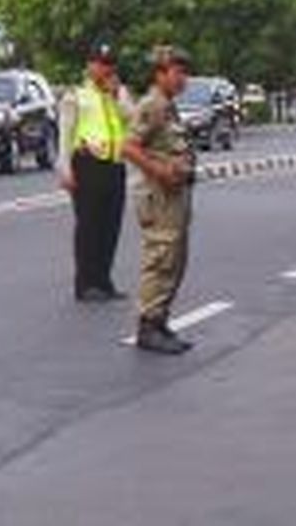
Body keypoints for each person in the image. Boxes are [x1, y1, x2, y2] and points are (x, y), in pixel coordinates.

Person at [123, 45, 196, 355]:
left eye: (185, 72)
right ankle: (148, 326)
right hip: (159, 196)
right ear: (160, 74)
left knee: (175, 260)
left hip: (174, 196)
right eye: (178, 72)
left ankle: (160, 320)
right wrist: (160, 172)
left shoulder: (167, 106)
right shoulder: (151, 105)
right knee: (162, 259)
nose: (184, 79)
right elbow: (128, 147)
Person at [57, 42, 134, 303]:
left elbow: (131, 120)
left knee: (111, 226)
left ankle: (104, 280)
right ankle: (86, 283)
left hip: (115, 165)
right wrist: (65, 169)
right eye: (101, 64)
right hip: (87, 164)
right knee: (89, 226)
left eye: (110, 65)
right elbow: (65, 135)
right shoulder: (75, 95)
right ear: (89, 66)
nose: (105, 70)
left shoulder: (119, 93)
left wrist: (115, 96)